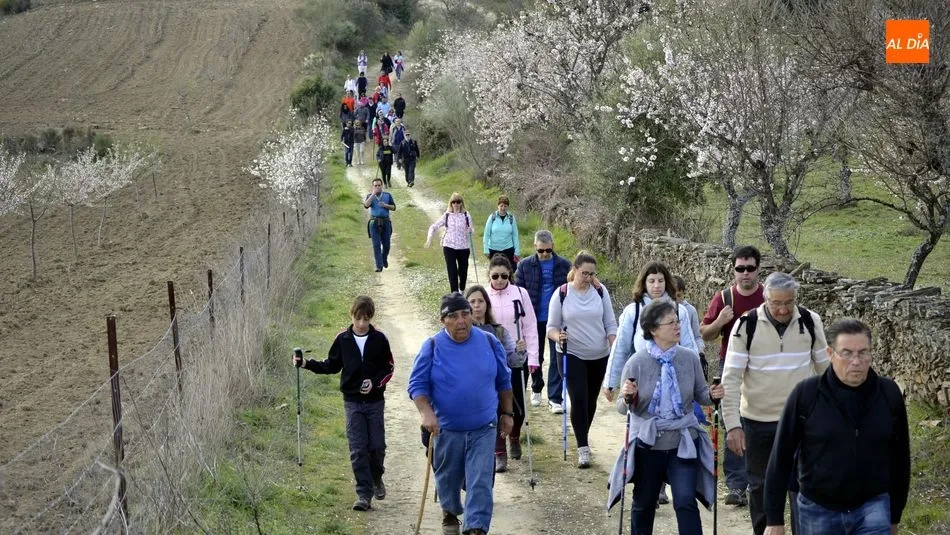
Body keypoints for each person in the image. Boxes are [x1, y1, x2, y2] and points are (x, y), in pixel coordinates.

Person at [763, 318, 910, 535]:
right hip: (818, 507)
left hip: (874, 506)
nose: (856, 361)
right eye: (847, 353)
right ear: (830, 354)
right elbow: (780, 458)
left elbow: (900, 459)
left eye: (863, 352)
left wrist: (894, 515)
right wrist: (774, 519)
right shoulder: (806, 394)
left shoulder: (889, 394)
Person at [722, 272, 830, 535]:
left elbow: (827, 373)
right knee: (760, 486)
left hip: (801, 424)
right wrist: (733, 426)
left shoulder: (810, 321)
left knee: (802, 487)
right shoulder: (745, 325)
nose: (782, 309)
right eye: (776, 303)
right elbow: (731, 379)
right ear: (765, 298)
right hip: (758, 423)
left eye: (789, 303)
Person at [606, 298, 724, 535]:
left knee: (685, 500)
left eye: (677, 321)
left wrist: (712, 395)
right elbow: (622, 407)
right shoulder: (637, 363)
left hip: (682, 441)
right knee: (644, 504)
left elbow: (700, 394)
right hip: (648, 445)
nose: (677, 326)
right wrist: (629, 397)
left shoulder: (688, 358)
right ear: (653, 330)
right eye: (671, 323)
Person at [408, 293, 514, 535]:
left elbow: (504, 381)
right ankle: (450, 511)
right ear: (443, 320)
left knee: (480, 480)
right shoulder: (432, 346)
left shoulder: (488, 341)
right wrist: (426, 413)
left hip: (483, 427)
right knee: (448, 479)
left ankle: (475, 528)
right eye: (453, 316)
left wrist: (507, 413)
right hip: (445, 428)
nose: (461, 321)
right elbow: (417, 385)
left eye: (465, 314)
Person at [293, 296, 394, 511]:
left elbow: (389, 368)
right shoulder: (343, 339)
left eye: (366, 320)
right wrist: (306, 364)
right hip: (353, 403)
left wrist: (374, 383)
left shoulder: (380, 339)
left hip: (375, 402)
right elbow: (331, 365)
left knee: (376, 447)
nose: (361, 324)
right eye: (358, 319)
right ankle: (364, 495)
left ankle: (377, 477)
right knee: (358, 449)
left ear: (370, 318)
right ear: (352, 316)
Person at [699, 244, 764, 507]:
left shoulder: (768, 297)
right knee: (732, 421)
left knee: (758, 422)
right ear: (734, 270)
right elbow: (705, 333)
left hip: (763, 367)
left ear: (758, 269)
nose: (745, 273)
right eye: (740, 269)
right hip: (731, 364)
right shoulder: (725, 298)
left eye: (750, 268)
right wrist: (720, 321)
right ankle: (736, 486)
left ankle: (757, 482)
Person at [546, 252, 618, 468]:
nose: (588, 278)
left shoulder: (600, 290)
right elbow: (551, 327)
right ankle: (583, 447)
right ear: (574, 270)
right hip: (571, 353)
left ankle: (582, 436)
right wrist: (559, 336)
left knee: (590, 400)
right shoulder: (561, 294)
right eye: (584, 273)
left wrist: (615, 347)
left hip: (599, 354)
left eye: (591, 274)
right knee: (578, 398)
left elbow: (610, 323)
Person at [486, 254, 539, 472]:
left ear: (510, 275)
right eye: (495, 276)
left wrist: (533, 357)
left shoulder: (520, 294)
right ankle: (499, 452)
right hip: (491, 360)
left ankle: (514, 435)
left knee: (518, 406)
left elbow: (530, 326)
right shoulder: (483, 295)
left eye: (503, 276)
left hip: (516, 358)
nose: (499, 280)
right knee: (497, 407)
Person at [514, 230, 571, 413]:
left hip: (557, 320)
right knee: (534, 355)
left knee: (557, 358)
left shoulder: (564, 265)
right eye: (541, 251)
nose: (545, 254)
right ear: (535, 248)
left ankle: (555, 398)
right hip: (532, 319)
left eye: (547, 250)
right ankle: (536, 387)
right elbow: (517, 293)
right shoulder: (524, 266)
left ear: (553, 246)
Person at [426, 193, 474, 293]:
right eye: (453, 202)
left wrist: (470, 231)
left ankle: (462, 289)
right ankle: (455, 294)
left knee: (463, 272)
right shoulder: (447, 215)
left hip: (463, 247)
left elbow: (471, 231)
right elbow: (434, 226)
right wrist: (429, 239)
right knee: (452, 271)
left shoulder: (466, 215)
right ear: (451, 203)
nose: (456, 204)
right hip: (449, 246)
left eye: (458, 202)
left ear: (461, 203)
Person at [674, 276, 707, 378]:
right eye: (672, 296)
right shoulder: (661, 309)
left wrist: (700, 350)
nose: (676, 299)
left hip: (687, 360)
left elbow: (697, 336)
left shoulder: (690, 311)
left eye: (678, 295)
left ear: (683, 294)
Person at [363, 178, 395, 272]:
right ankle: (379, 265)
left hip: (386, 221)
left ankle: (383, 258)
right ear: (373, 187)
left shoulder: (387, 195)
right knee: (376, 244)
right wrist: (372, 194)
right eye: (375, 185)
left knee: (387, 245)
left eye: (379, 185)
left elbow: (393, 207)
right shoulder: (370, 196)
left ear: (382, 186)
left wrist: (385, 205)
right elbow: (366, 205)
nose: (377, 187)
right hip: (374, 222)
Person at [483, 196, 520, 268]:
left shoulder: (511, 218)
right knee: (495, 272)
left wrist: (517, 251)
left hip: (508, 249)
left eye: (505, 206)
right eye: (501, 206)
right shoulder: (492, 217)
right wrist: (486, 249)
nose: (503, 208)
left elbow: (515, 235)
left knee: (510, 272)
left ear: (508, 207)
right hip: (494, 250)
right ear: (498, 206)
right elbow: (486, 234)